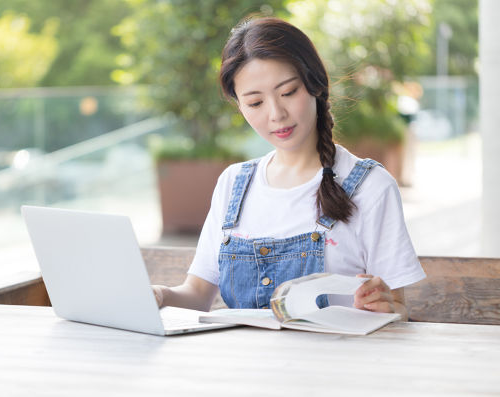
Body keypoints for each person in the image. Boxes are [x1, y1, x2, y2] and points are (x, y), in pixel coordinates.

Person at [151, 16, 425, 320]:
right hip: (243, 365)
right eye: (255, 103)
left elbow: (396, 309)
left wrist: (388, 309)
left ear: (314, 85)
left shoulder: (369, 186)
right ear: (239, 106)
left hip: (337, 364)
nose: (276, 114)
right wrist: (159, 295)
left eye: (288, 92)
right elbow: (198, 295)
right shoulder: (233, 184)